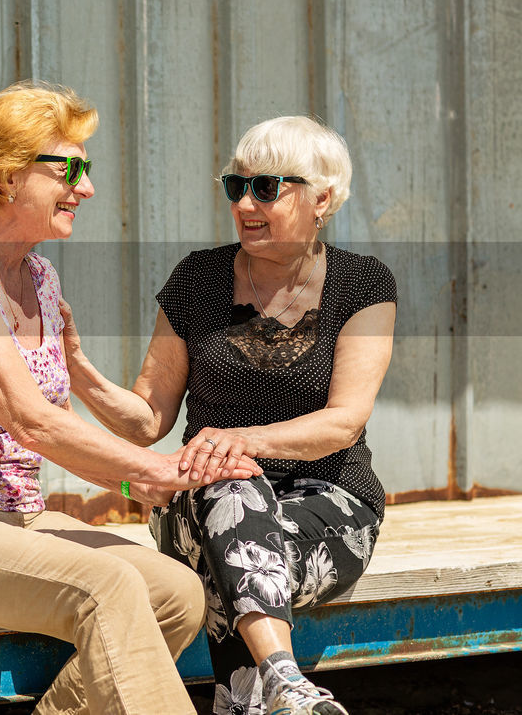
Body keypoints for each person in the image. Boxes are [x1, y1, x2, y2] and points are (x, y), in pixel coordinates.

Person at [0, 81, 265, 715]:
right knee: (107, 587)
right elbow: (30, 421)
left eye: (88, 168)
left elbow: (106, 421)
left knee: (177, 593)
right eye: (69, 168)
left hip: (18, 515)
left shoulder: (41, 278)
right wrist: (151, 474)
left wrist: (87, 379)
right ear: (4, 179)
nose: (87, 187)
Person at [60, 116, 396, 715]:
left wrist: (239, 438)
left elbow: (342, 423)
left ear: (322, 198)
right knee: (229, 490)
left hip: (330, 504)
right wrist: (80, 369)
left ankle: (254, 696)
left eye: (266, 188)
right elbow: (147, 420)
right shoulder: (198, 278)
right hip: (201, 503)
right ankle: (286, 681)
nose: (245, 202)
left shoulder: (362, 283)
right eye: (235, 186)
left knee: (226, 560)